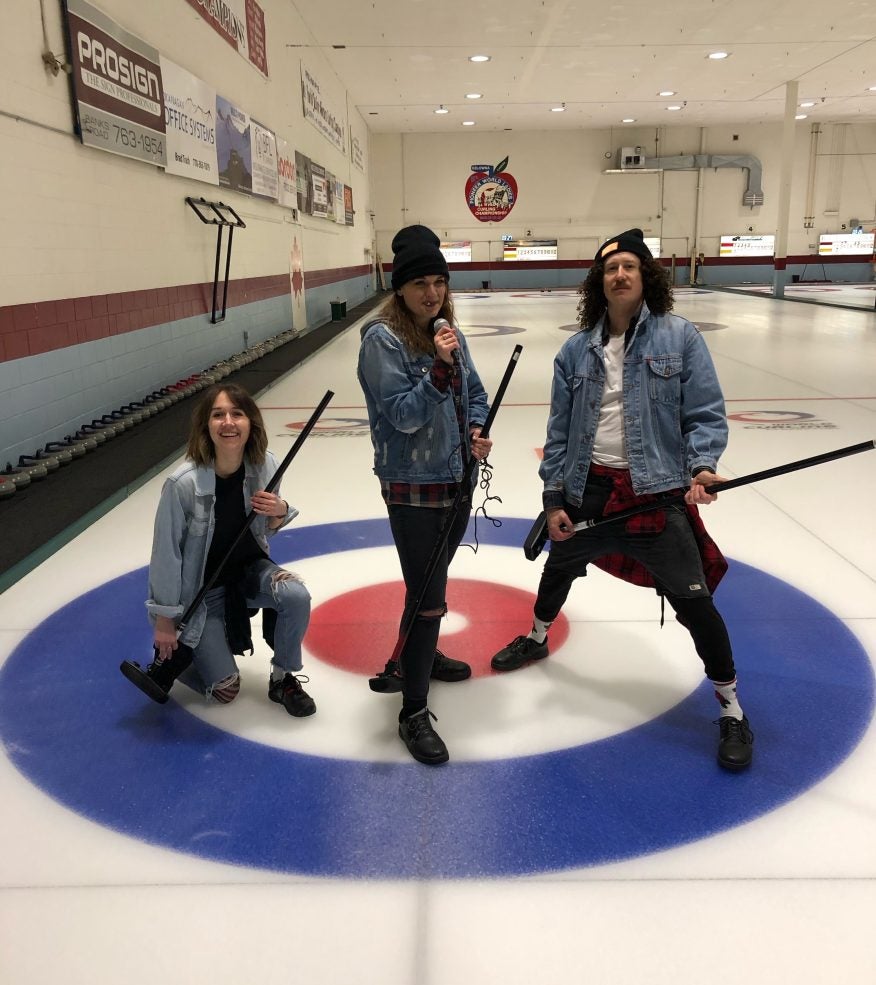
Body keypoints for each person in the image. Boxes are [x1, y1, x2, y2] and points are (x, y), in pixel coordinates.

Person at [491, 228, 753, 770]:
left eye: (631, 266)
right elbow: (560, 432)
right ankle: (538, 636)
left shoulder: (679, 338)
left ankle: (731, 707)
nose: (621, 275)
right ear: (599, 281)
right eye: (611, 268)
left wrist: (702, 466)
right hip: (589, 487)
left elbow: (704, 412)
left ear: (646, 276)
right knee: (559, 564)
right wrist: (553, 498)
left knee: (694, 600)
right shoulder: (575, 349)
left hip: (655, 493)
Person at [357, 224, 492, 765]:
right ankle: (413, 710)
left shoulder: (447, 331)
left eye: (439, 282)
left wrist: (477, 429)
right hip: (412, 486)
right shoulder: (381, 341)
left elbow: (475, 392)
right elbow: (405, 417)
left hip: (456, 479)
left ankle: (423, 652)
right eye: (420, 284)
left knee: (429, 588)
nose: (432, 294)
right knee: (426, 594)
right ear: (399, 289)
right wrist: (437, 368)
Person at [142, 382, 315, 716]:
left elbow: (266, 529)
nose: (228, 422)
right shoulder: (182, 485)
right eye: (218, 414)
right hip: (201, 594)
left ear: (251, 422)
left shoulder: (266, 465)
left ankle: (283, 678)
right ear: (206, 426)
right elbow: (166, 554)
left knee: (296, 595)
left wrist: (280, 511)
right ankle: (183, 659)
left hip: (248, 575)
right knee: (226, 691)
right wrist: (165, 620)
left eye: (237, 413)